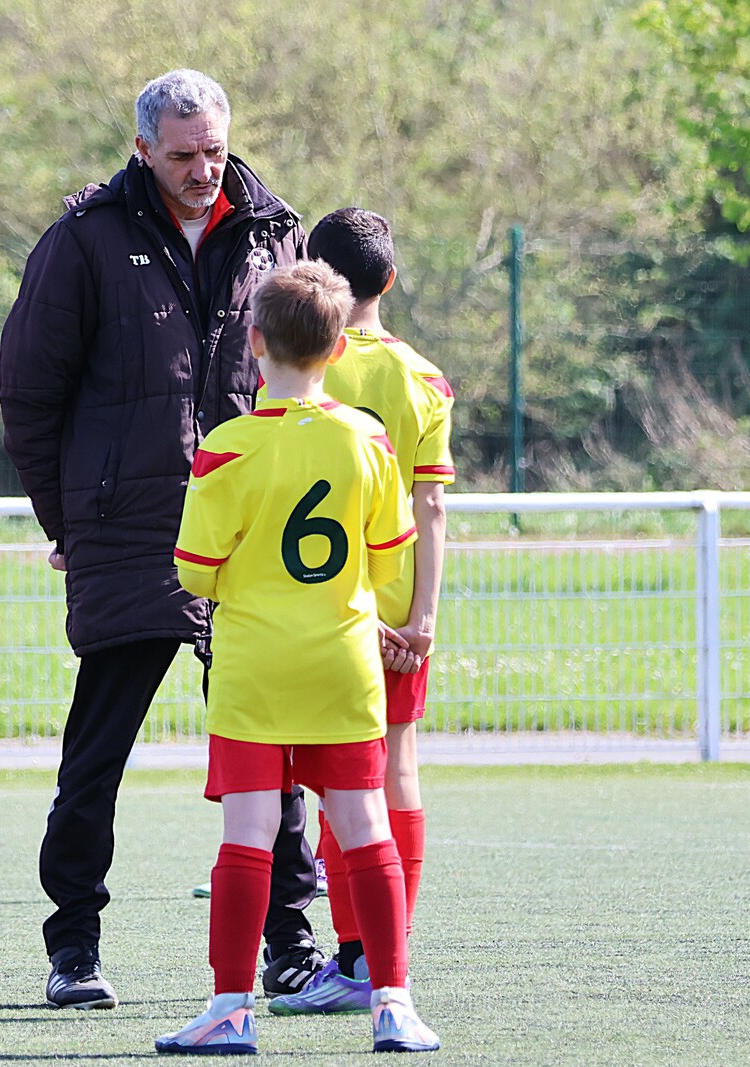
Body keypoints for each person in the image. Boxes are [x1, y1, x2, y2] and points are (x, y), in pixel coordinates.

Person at [0, 68, 316, 1009]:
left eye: (214, 150)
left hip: (252, 542)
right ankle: (74, 946)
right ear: (143, 149)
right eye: (182, 154)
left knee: (269, 751)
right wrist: (68, 523)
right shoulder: (84, 239)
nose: (202, 170)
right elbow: (28, 394)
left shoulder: (274, 234)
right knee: (97, 754)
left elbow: (311, 381)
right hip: (129, 535)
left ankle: (290, 942)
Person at [153, 261, 440, 1055]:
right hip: (342, 661)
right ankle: (392, 1002)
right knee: (365, 825)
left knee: (248, 833)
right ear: (338, 346)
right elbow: (390, 559)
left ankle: (230, 1010)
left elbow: (194, 571)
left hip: (255, 665)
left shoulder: (227, 447)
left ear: (253, 343)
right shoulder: (368, 440)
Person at [267, 208, 454, 1016]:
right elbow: (431, 506)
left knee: (338, 781)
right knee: (399, 770)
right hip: (399, 602)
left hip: (326, 606)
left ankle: (352, 958)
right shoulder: (423, 377)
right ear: (391, 279)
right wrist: (423, 618)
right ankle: (390, 953)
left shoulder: (301, 363)